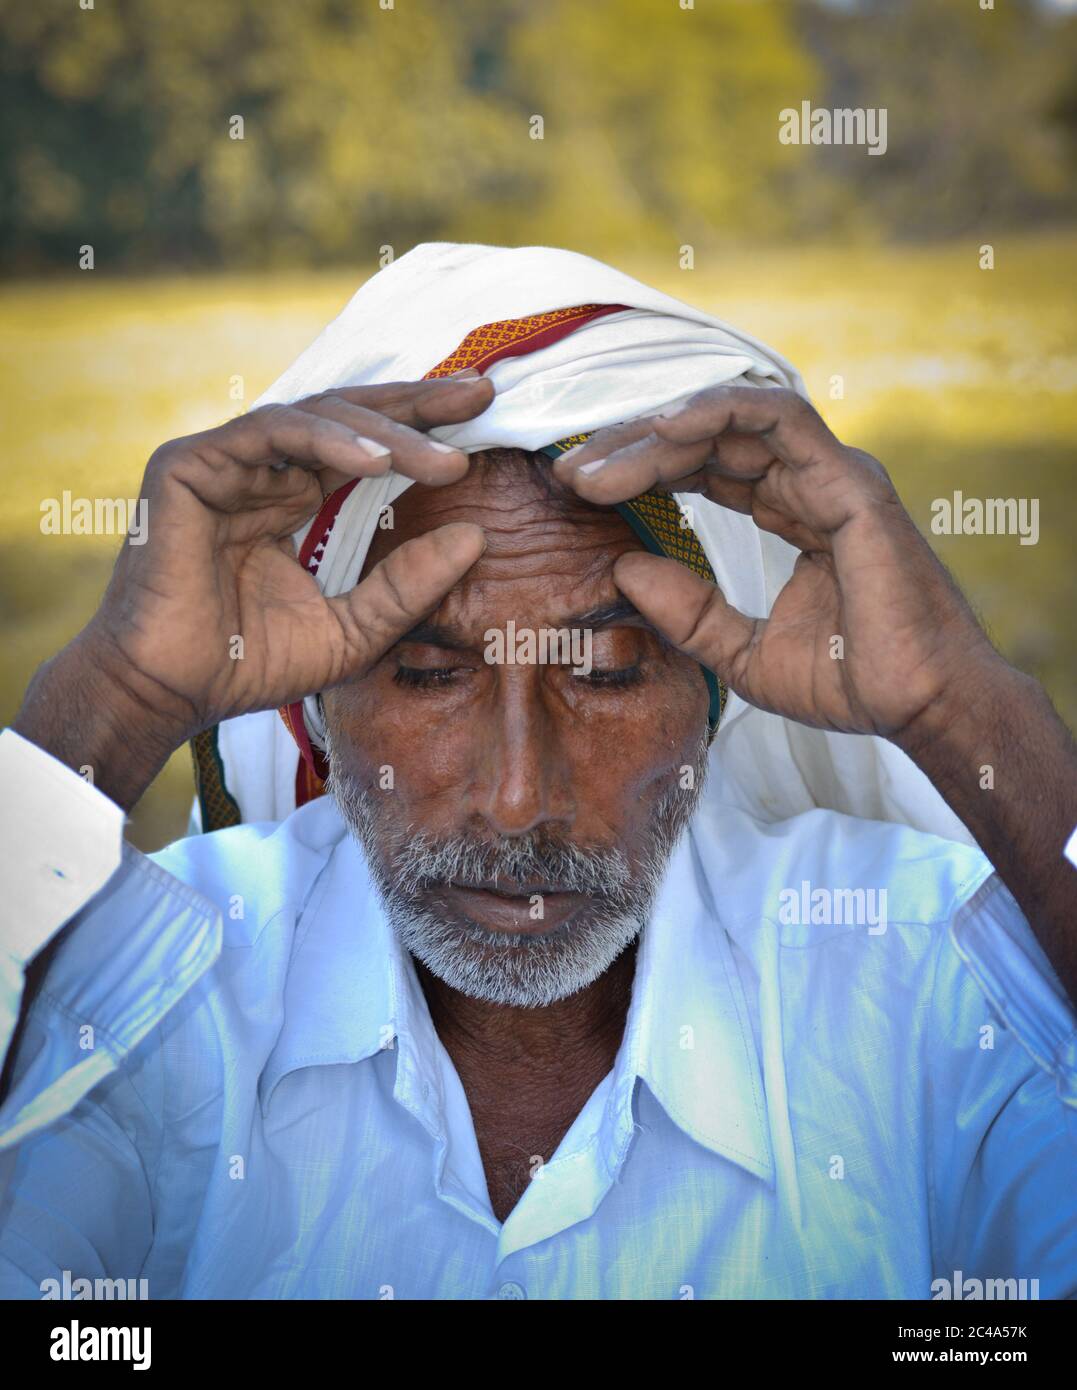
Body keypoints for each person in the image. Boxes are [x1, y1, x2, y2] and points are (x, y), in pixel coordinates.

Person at [1, 244, 1074, 1300]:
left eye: (604, 673)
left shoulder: (913, 972)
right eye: (428, 674)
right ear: (318, 713)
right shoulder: (162, 996)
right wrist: (117, 698)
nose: (519, 799)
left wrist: (957, 701)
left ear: (711, 703)